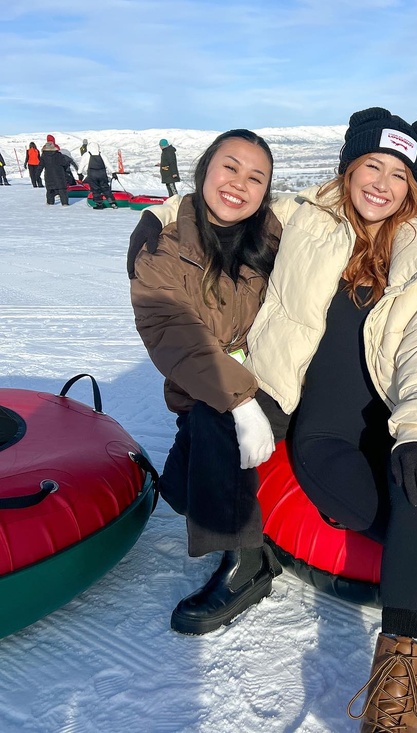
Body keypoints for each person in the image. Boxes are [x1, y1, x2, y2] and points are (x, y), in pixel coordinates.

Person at [130, 109, 417, 732]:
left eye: (400, 174)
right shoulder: (300, 219)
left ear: (414, 187)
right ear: (348, 168)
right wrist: (161, 218)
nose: (383, 184)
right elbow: (227, 209)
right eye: (373, 165)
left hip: (400, 429)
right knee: (404, 525)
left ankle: (414, 696)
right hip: (324, 435)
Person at [130, 129, 288, 636]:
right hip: (209, 388)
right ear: (204, 169)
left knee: (213, 419)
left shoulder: (277, 235)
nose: (240, 183)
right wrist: (241, 402)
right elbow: (171, 328)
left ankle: (247, 565)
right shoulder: (163, 241)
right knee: (180, 491)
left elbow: (343, 204)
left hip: (275, 379)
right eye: (230, 167)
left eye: (256, 177)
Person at [78, 141, 117, 209]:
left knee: (95, 189)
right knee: (105, 187)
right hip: (102, 173)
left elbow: (82, 165)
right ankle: (112, 202)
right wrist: (113, 172)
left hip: (92, 174)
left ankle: (99, 204)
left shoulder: (87, 155)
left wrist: (79, 173)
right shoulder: (102, 154)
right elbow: (108, 164)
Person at [39, 139, 73, 205]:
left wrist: (37, 175)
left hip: (49, 176)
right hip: (59, 176)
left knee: (50, 191)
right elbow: (65, 163)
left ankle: (50, 203)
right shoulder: (58, 155)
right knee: (62, 190)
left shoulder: (43, 156)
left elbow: (40, 166)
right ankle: (65, 203)